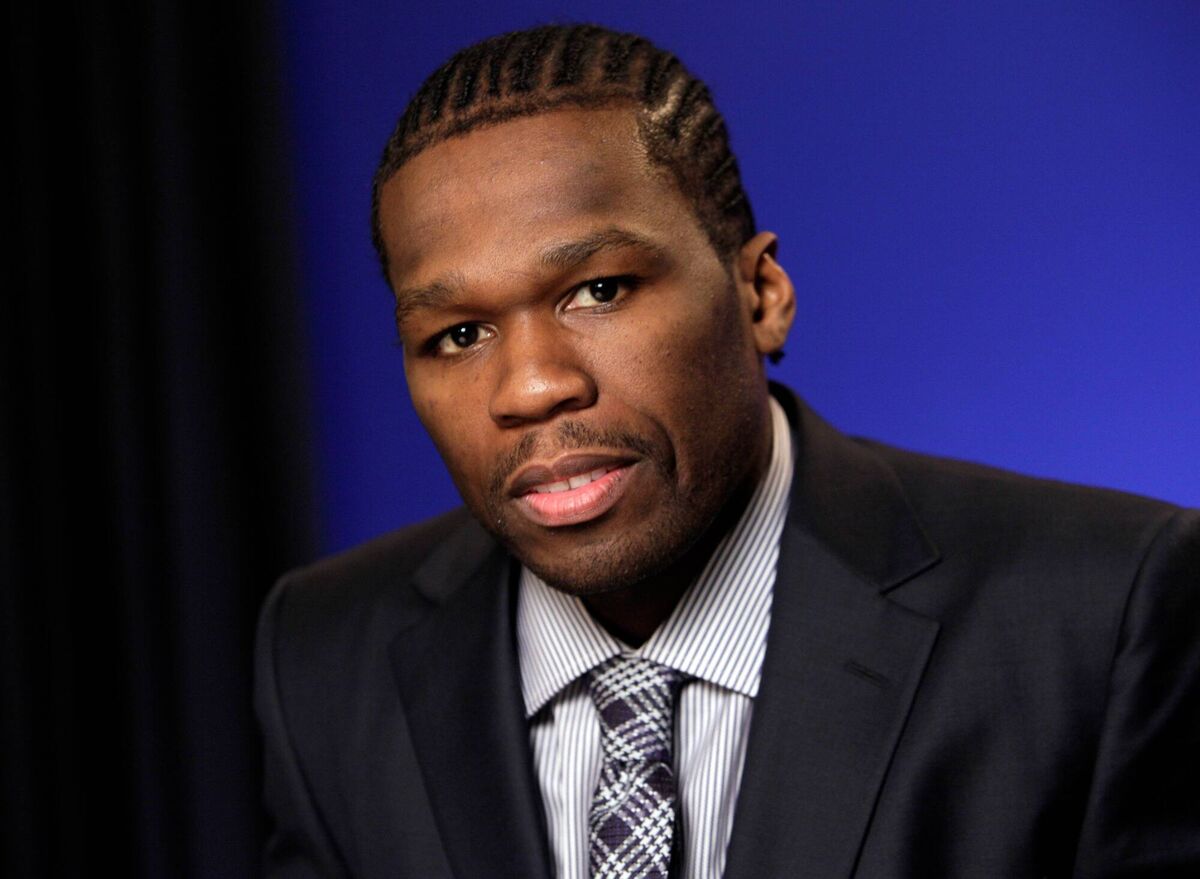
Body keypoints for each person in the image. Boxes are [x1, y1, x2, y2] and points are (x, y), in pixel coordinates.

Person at [255, 24, 1200, 879]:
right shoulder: (324, 658)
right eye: (458, 335)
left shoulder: (1101, 610)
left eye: (600, 289)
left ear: (761, 294)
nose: (532, 386)